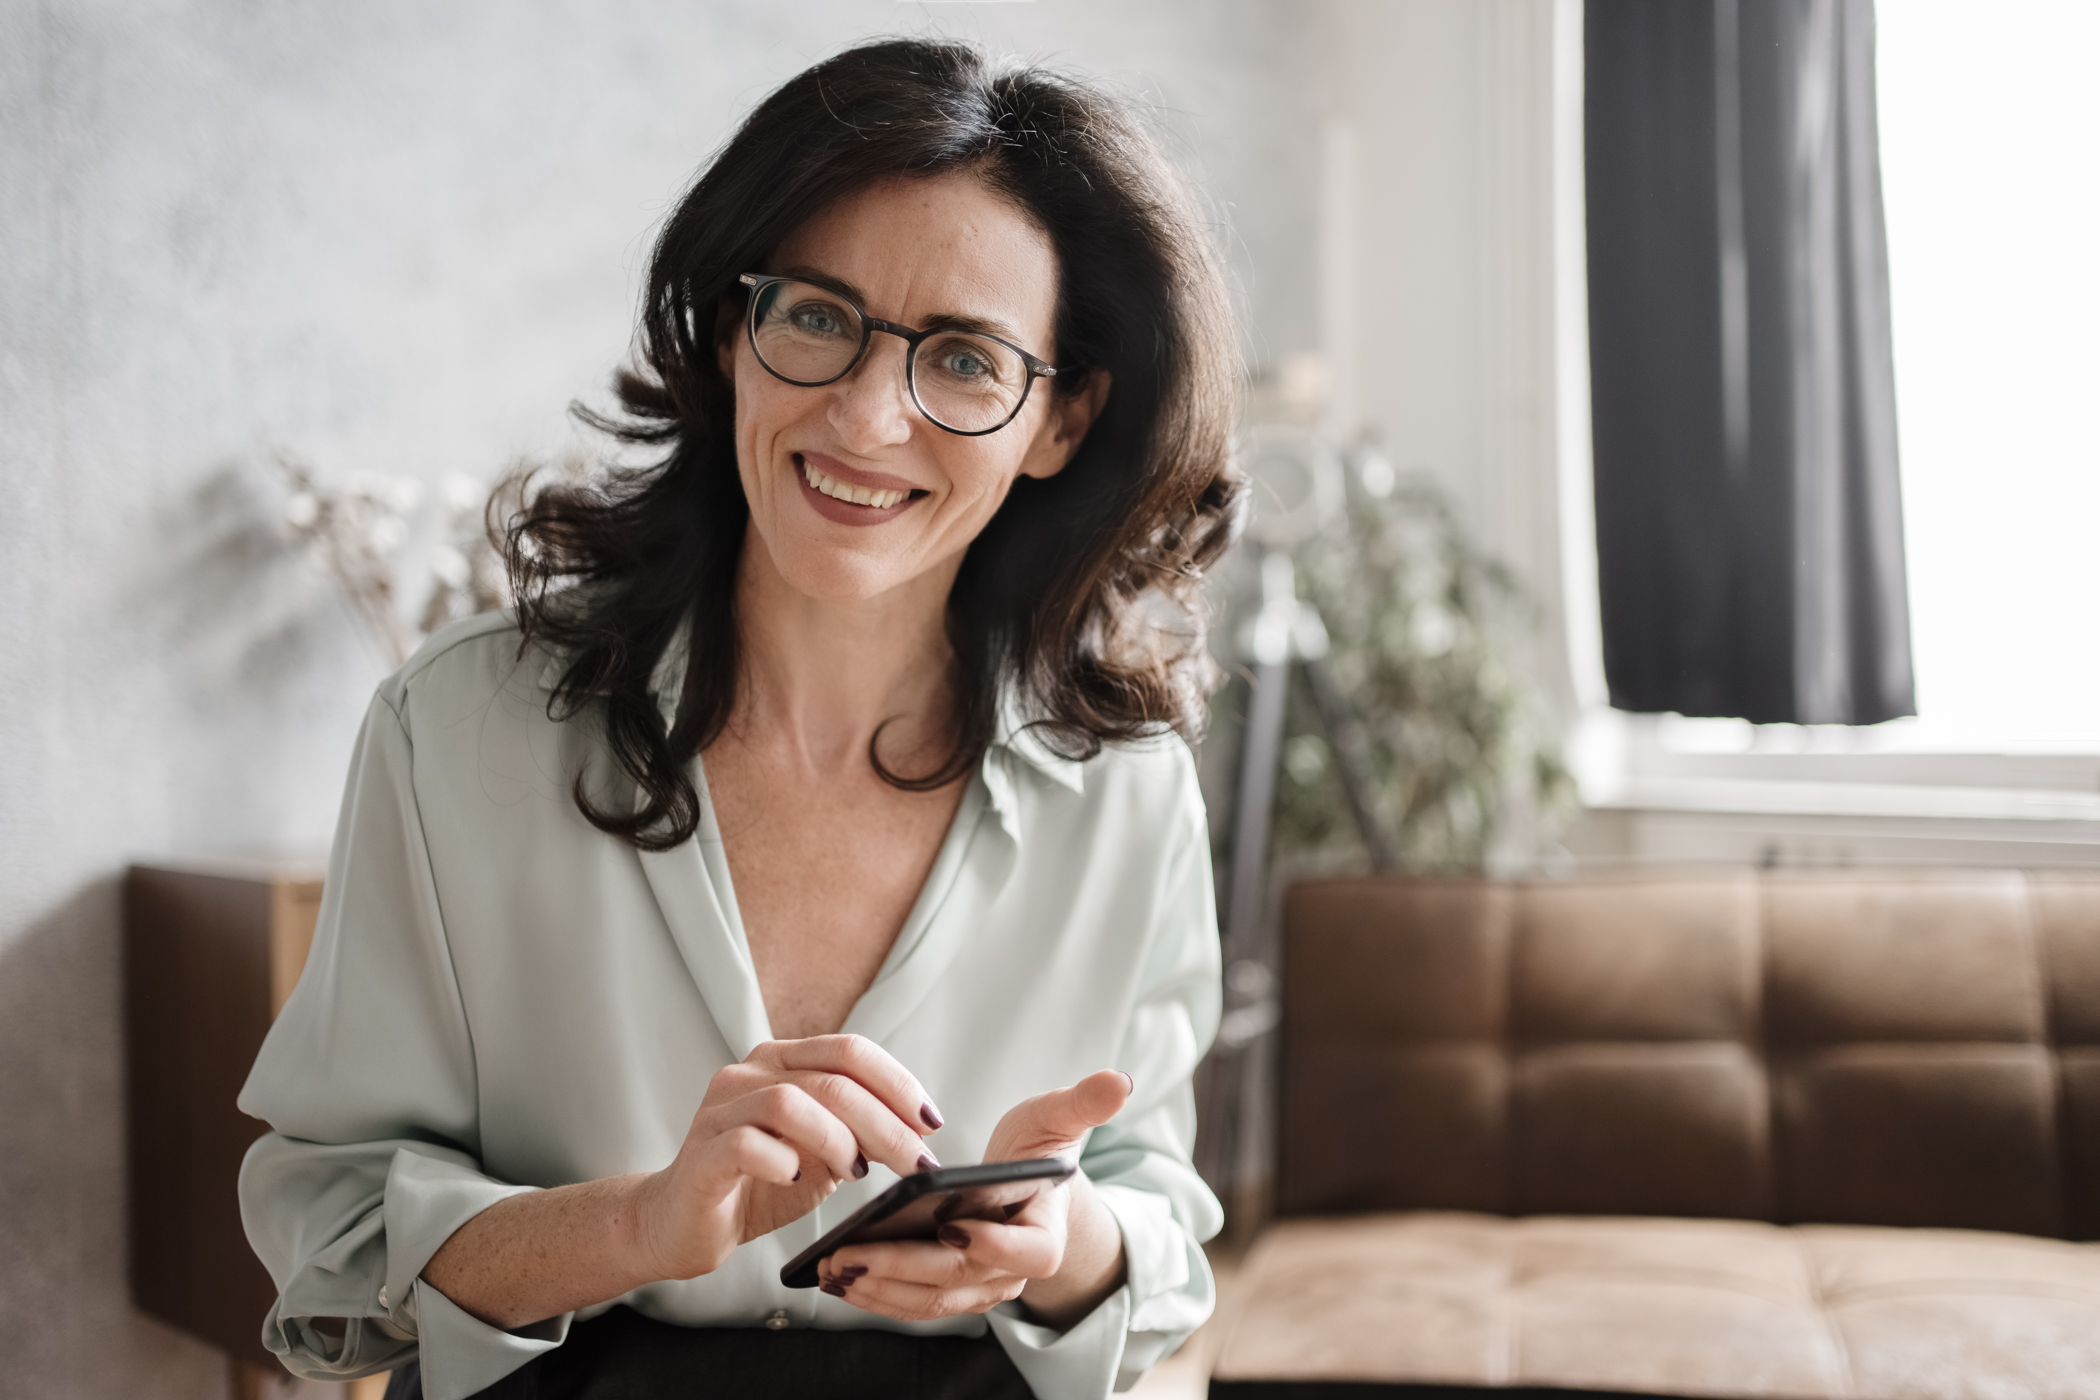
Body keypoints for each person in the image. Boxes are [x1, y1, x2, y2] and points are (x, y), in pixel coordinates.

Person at [238, 36, 1240, 1400]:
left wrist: (1061, 1240)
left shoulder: (1127, 787)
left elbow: (1156, 1228)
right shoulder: (455, 727)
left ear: (1059, 420)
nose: (870, 418)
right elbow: (336, 1238)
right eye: (819, 317)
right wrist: (636, 1224)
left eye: (963, 360)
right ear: (729, 330)